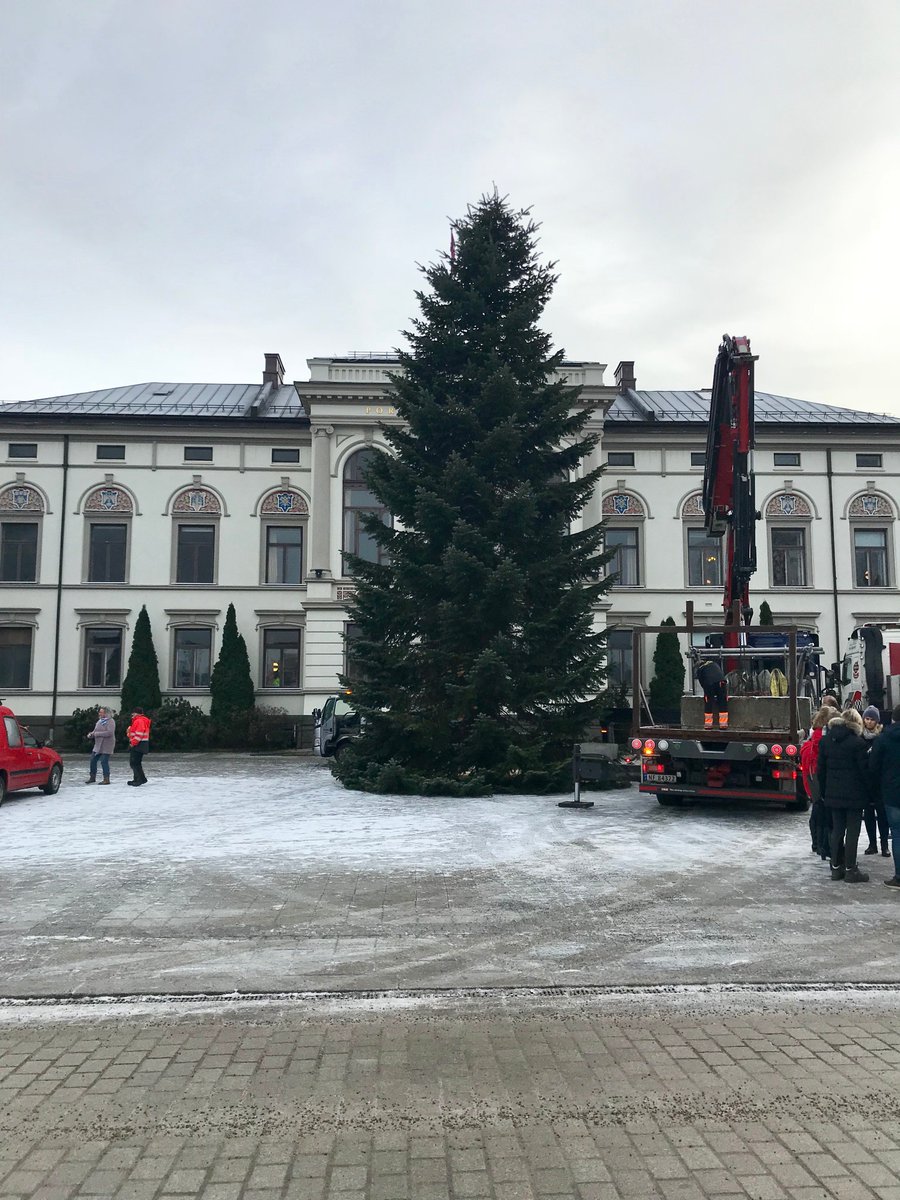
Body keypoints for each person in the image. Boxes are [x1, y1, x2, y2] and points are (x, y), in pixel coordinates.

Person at [817, 707, 871, 882]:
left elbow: (821, 770)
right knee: (853, 831)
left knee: (837, 829)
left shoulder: (826, 742)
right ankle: (850, 869)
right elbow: (865, 772)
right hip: (855, 795)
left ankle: (835, 868)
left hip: (832, 793)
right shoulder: (858, 744)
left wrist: (824, 791)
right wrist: (869, 792)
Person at [870, 704, 900, 889]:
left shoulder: (883, 739)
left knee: (897, 834)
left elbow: (874, 767)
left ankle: (899, 876)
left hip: (891, 792)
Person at [800, 706, 832, 859]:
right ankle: (820, 844)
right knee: (821, 813)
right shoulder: (822, 738)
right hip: (817, 778)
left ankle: (816, 844)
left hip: (811, 777)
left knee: (816, 811)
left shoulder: (813, 738)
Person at [861, 705, 889, 856]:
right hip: (866, 782)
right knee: (869, 814)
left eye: (872, 719)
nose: (869, 722)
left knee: (882, 815)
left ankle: (884, 844)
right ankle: (872, 844)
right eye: (867, 718)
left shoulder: (882, 737)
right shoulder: (861, 737)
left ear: (877, 721)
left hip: (880, 782)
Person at [85, 707, 115, 785]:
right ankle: (92, 777)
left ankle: (106, 779)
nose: (99, 714)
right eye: (99, 712)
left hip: (107, 745)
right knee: (93, 760)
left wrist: (96, 734)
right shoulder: (99, 721)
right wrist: (91, 734)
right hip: (98, 745)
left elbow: (109, 733)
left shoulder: (111, 721)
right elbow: (95, 731)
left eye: (101, 712)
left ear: (106, 713)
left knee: (104, 761)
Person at [697, 657, 728, 729]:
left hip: (709, 684)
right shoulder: (713, 663)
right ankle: (723, 724)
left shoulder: (700, 669)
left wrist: (708, 694)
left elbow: (702, 683)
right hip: (721, 682)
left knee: (708, 702)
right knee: (723, 701)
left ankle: (708, 725)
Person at [126, 708, 151, 787]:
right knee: (136, 763)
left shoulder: (139, 721)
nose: (132, 715)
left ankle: (139, 780)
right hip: (141, 744)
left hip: (138, 744)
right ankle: (139, 779)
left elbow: (139, 734)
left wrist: (132, 743)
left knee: (134, 763)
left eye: (133, 713)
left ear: (137, 713)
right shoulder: (140, 720)